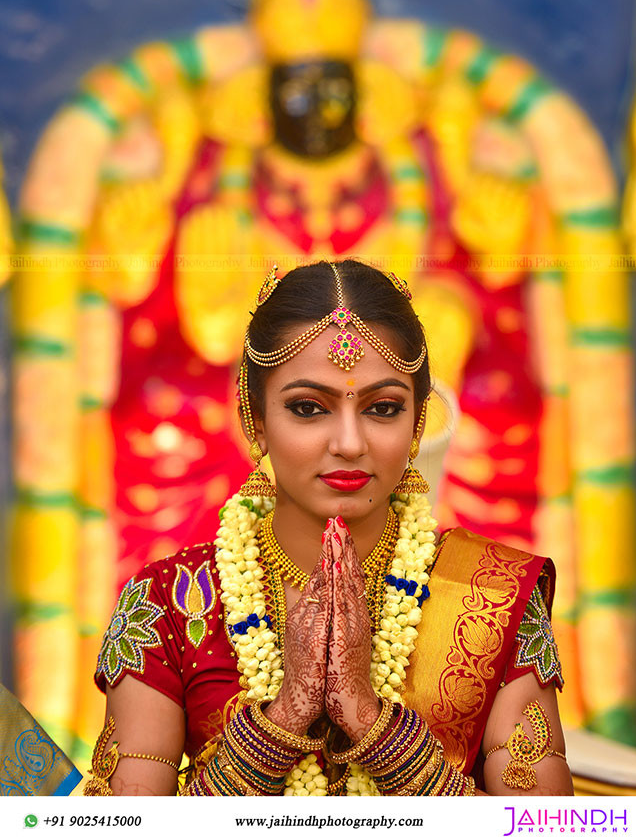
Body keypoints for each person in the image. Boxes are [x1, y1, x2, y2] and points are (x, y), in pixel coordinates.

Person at [85, 259, 571, 796]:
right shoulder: (167, 606)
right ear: (256, 419)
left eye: (382, 408)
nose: (348, 442)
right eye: (308, 408)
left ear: (416, 427)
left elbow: (548, 830)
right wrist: (284, 717)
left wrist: (369, 719)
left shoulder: (495, 595)